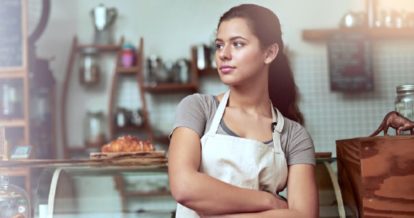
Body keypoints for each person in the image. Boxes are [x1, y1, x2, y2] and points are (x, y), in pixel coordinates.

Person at [168, 4, 318, 218]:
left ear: (269, 53)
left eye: (237, 44)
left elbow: (304, 216)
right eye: (219, 45)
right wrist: (269, 201)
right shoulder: (198, 108)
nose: (224, 55)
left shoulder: (294, 136)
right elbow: (184, 186)